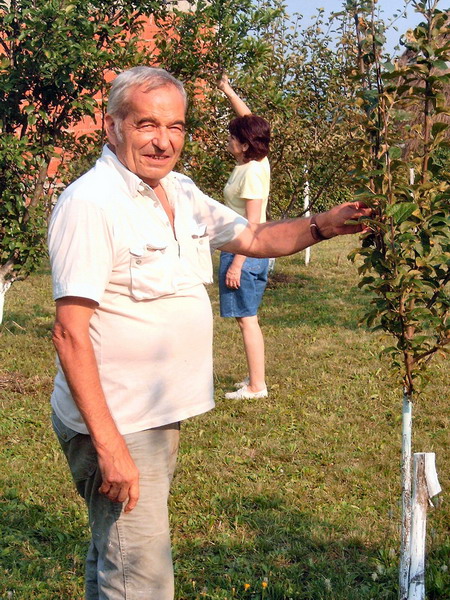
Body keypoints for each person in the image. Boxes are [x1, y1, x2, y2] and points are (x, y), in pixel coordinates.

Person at [47, 65, 371, 599]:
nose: (163, 140)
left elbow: (255, 238)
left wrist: (324, 225)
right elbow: (69, 334)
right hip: (119, 420)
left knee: (116, 555)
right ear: (112, 126)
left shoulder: (180, 190)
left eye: (175, 126)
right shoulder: (91, 203)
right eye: (147, 124)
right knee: (141, 578)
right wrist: (110, 446)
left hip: (154, 415)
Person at [217, 74, 271, 400]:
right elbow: (249, 119)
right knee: (247, 318)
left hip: (246, 252)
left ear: (245, 144)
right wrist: (228, 90)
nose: (229, 140)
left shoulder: (251, 173)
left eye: (233, 137)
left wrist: (237, 263)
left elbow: (253, 224)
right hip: (250, 251)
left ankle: (257, 386)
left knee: (247, 320)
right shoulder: (257, 162)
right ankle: (255, 379)